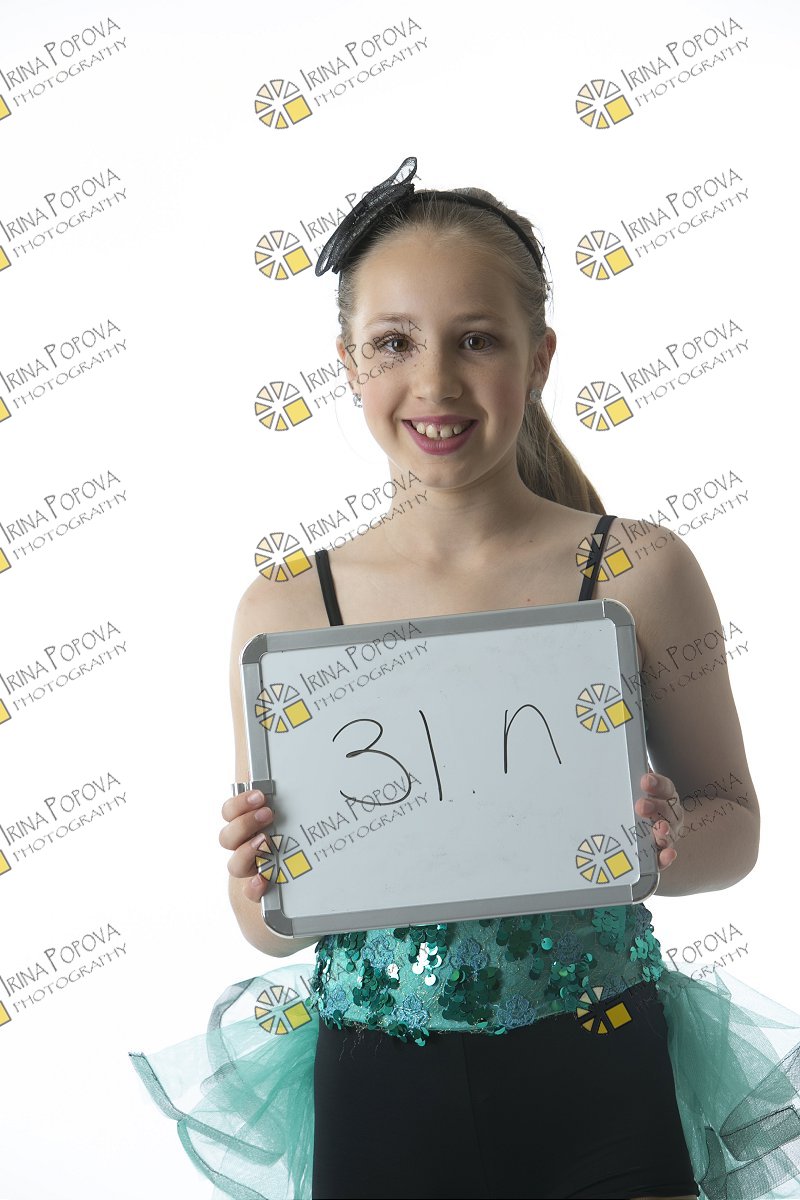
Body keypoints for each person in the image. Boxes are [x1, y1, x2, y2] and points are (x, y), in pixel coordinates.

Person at [130, 158, 800, 1200]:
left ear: (539, 358)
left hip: (600, 1063)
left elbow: (734, 824)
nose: (436, 383)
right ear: (348, 365)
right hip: (378, 1088)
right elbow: (270, 924)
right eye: (394, 343)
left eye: (476, 340)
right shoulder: (289, 607)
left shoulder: (636, 570)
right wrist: (255, 877)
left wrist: (668, 838)